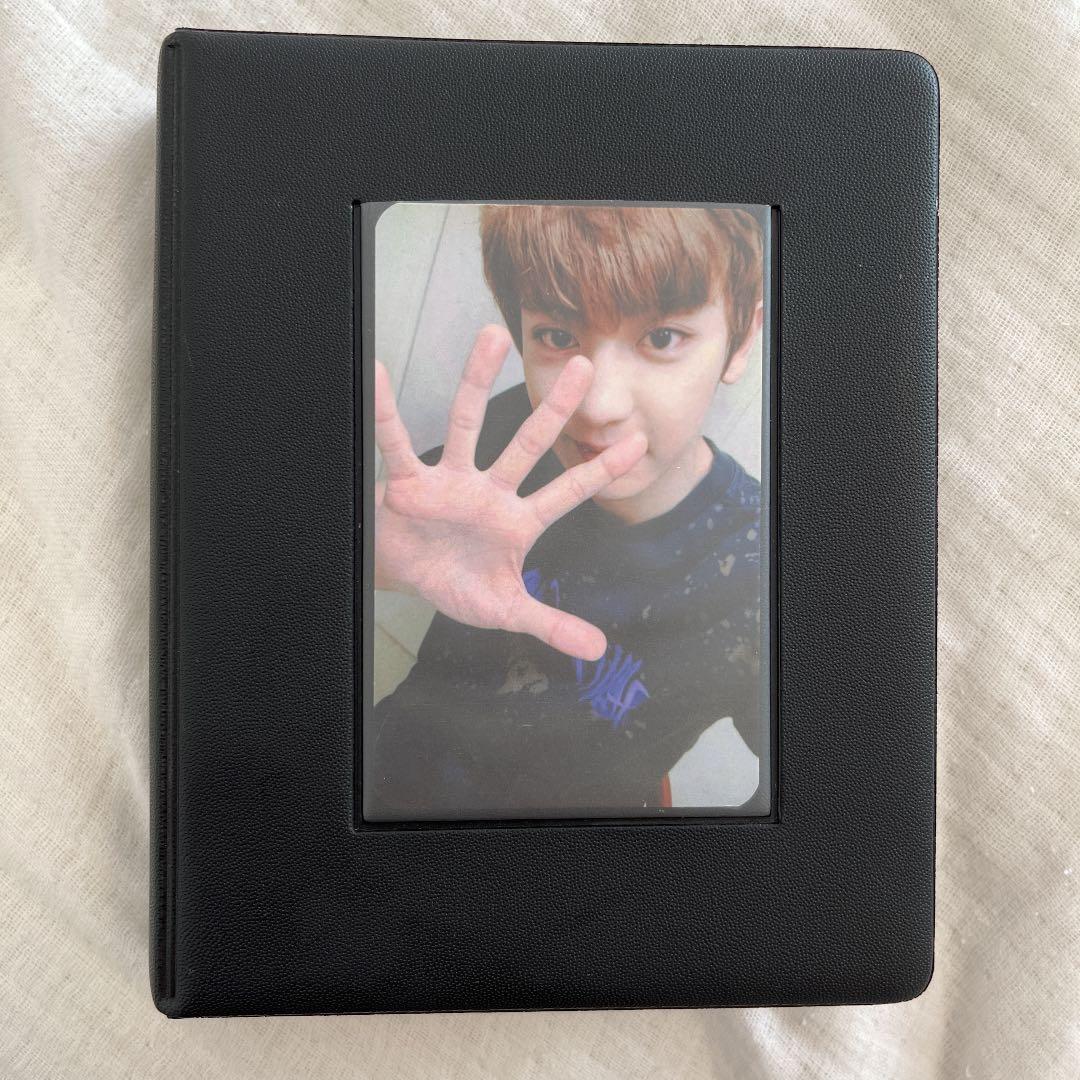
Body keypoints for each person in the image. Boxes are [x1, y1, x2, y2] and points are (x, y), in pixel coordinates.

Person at [367, 204, 765, 820]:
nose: (597, 407)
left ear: (740, 341)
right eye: (558, 336)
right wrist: (372, 554)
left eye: (662, 337)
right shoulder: (514, 438)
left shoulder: (764, 575)